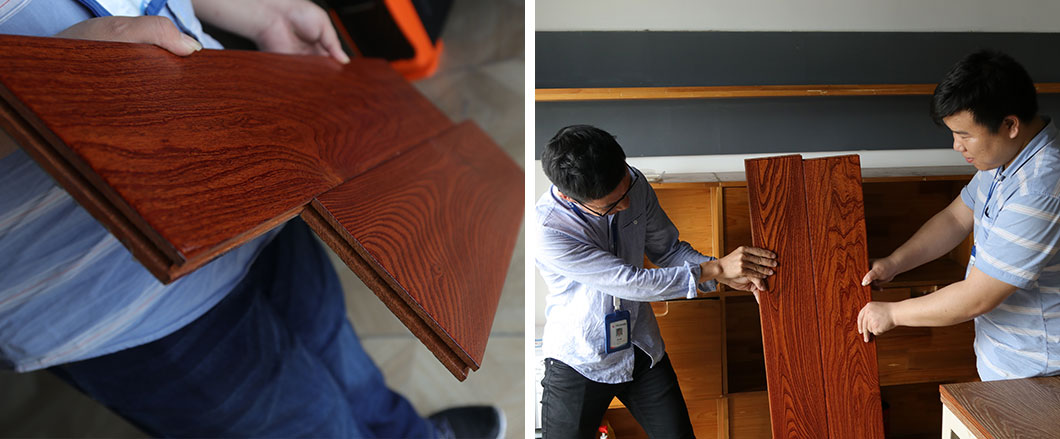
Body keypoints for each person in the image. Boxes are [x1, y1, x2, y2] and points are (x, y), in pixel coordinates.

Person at [0, 1, 502, 437]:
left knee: (337, 349)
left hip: (256, 187)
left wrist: (262, 11)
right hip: (107, 299)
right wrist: (39, 81)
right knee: (306, 422)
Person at [535, 125, 777, 438]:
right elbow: (631, 282)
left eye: (625, 191)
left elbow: (669, 251)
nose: (626, 204)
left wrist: (726, 277)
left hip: (640, 347)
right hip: (580, 358)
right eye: (611, 205)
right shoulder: (549, 231)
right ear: (569, 197)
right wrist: (717, 268)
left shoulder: (633, 183)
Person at [857, 50, 1060, 382]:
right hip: (1008, 363)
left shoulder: (1039, 188)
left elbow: (978, 296)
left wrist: (893, 313)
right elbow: (956, 218)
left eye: (965, 135)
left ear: (1010, 125)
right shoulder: (1006, 158)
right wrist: (894, 263)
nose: (956, 145)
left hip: (1039, 374)